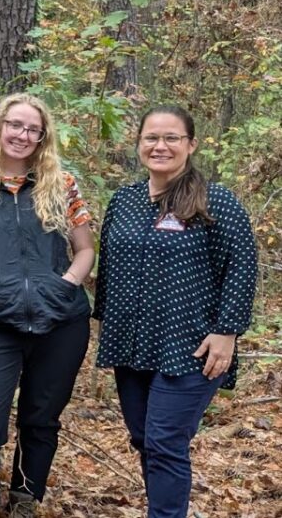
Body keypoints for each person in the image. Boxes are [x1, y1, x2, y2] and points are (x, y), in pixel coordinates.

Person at [94, 106, 257, 518]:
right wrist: (104, 325)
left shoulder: (214, 200)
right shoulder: (124, 200)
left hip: (191, 344)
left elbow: (241, 265)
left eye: (171, 138)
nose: (160, 146)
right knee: (144, 439)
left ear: (191, 145)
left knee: (165, 440)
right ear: (139, 144)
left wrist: (228, 331)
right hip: (133, 343)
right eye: (151, 138)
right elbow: (109, 266)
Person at [0, 94, 95, 517]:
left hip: (60, 319)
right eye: (15, 125)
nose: (22, 135)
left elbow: (84, 250)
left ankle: (26, 497)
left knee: (40, 416)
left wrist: (66, 283)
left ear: (42, 137)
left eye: (32, 129)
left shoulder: (61, 184)